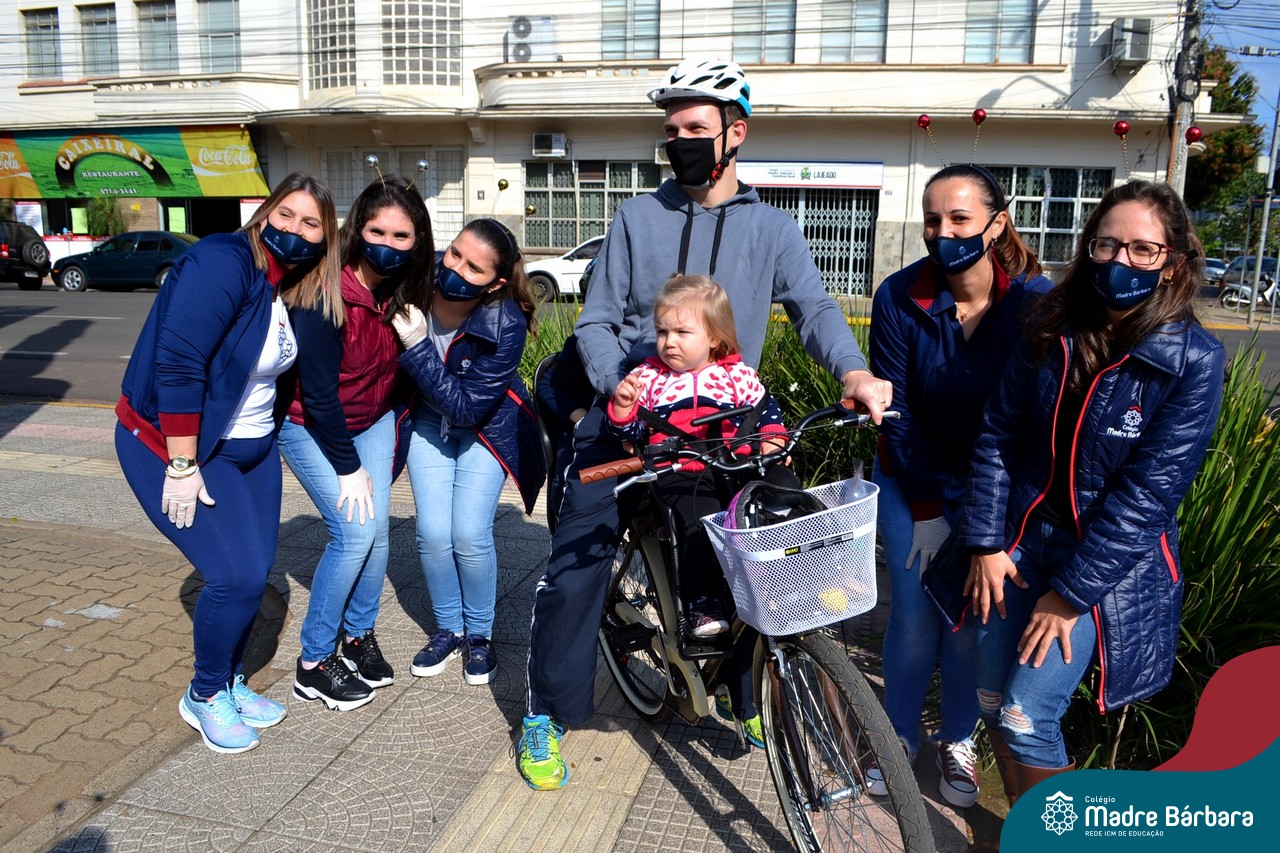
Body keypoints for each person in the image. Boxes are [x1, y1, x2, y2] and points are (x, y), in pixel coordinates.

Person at [519, 58, 893, 791]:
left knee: (776, 541)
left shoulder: (772, 226)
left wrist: (854, 372)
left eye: (695, 128)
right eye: (671, 131)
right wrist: (617, 382)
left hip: (725, 421)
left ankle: (752, 689)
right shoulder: (637, 217)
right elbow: (595, 320)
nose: (680, 142)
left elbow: (814, 310)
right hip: (631, 417)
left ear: (735, 133)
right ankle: (546, 711)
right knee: (578, 560)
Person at [935, 178, 1223, 803]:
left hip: (1103, 565)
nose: (1121, 261)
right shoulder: (1050, 325)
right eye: (1107, 244)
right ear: (1090, 246)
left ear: (1173, 263)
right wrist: (986, 543)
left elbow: (1147, 498)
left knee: (1025, 715)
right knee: (991, 697)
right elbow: (999, 433)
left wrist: (1068, 597)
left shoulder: (1193, 360)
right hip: (1019, 541)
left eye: (1143, 249)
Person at [115, 172, 342, 753]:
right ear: (264, 213)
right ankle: (205, 693)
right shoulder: (223, 262)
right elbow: (179, 365)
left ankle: (232, 679)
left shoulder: (287, 283)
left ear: (324, 239)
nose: (295, 230)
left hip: (254, 451)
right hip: (185, 447)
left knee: (254, 576)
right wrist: (181, 465)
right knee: (234, 577)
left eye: (311, 224)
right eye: (285, 214)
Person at [869, 164, 1052, 807]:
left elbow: (1032, 422)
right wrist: (925, 509)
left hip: (991, 491)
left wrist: (986, 524)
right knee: (915, 617)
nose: (942, 232)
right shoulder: (899, 296)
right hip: (911, 478)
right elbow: (895, 412)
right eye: (932, 220)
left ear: (996, 225)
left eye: (959, 219)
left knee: (971, 623)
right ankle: (896, 735)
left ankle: (956, 739)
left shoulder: (1031, 305)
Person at [278, 177, 432, 711]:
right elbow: (318, 395)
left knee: (378, 535)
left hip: (373, 420)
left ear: (417, 240)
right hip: (311, 424)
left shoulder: (404, 289)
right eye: (376, 232)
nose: (387, 244)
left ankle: (358, 636)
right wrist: (349, 469)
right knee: (353, 532)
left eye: (401, 235)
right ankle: (314, 663)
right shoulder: (325, 293)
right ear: (357, 230)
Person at [391, 218, 544, 688]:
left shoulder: (506, 321)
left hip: (485, 427)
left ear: (495, 283)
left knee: (469, 533)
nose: (455, 268)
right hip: (427, 420)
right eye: (455, 253)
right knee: (434, 533)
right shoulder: (416, 281)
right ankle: (448, 629)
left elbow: (466, 407)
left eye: (473, 267)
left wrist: (417, 346)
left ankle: (480, 635)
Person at [608, 274, 786, 637]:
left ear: (714, 337)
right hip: (681, 470)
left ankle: (800, 579)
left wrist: (773, 440)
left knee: (784, 495)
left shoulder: (736, 375)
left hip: (734, 465)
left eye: (681, 332)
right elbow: (629, 435)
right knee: (701, 522)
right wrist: (624, 409)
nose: (668, 342)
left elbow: (765, 410)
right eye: (662, 332)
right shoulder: (649, 378)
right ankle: (703, 604)